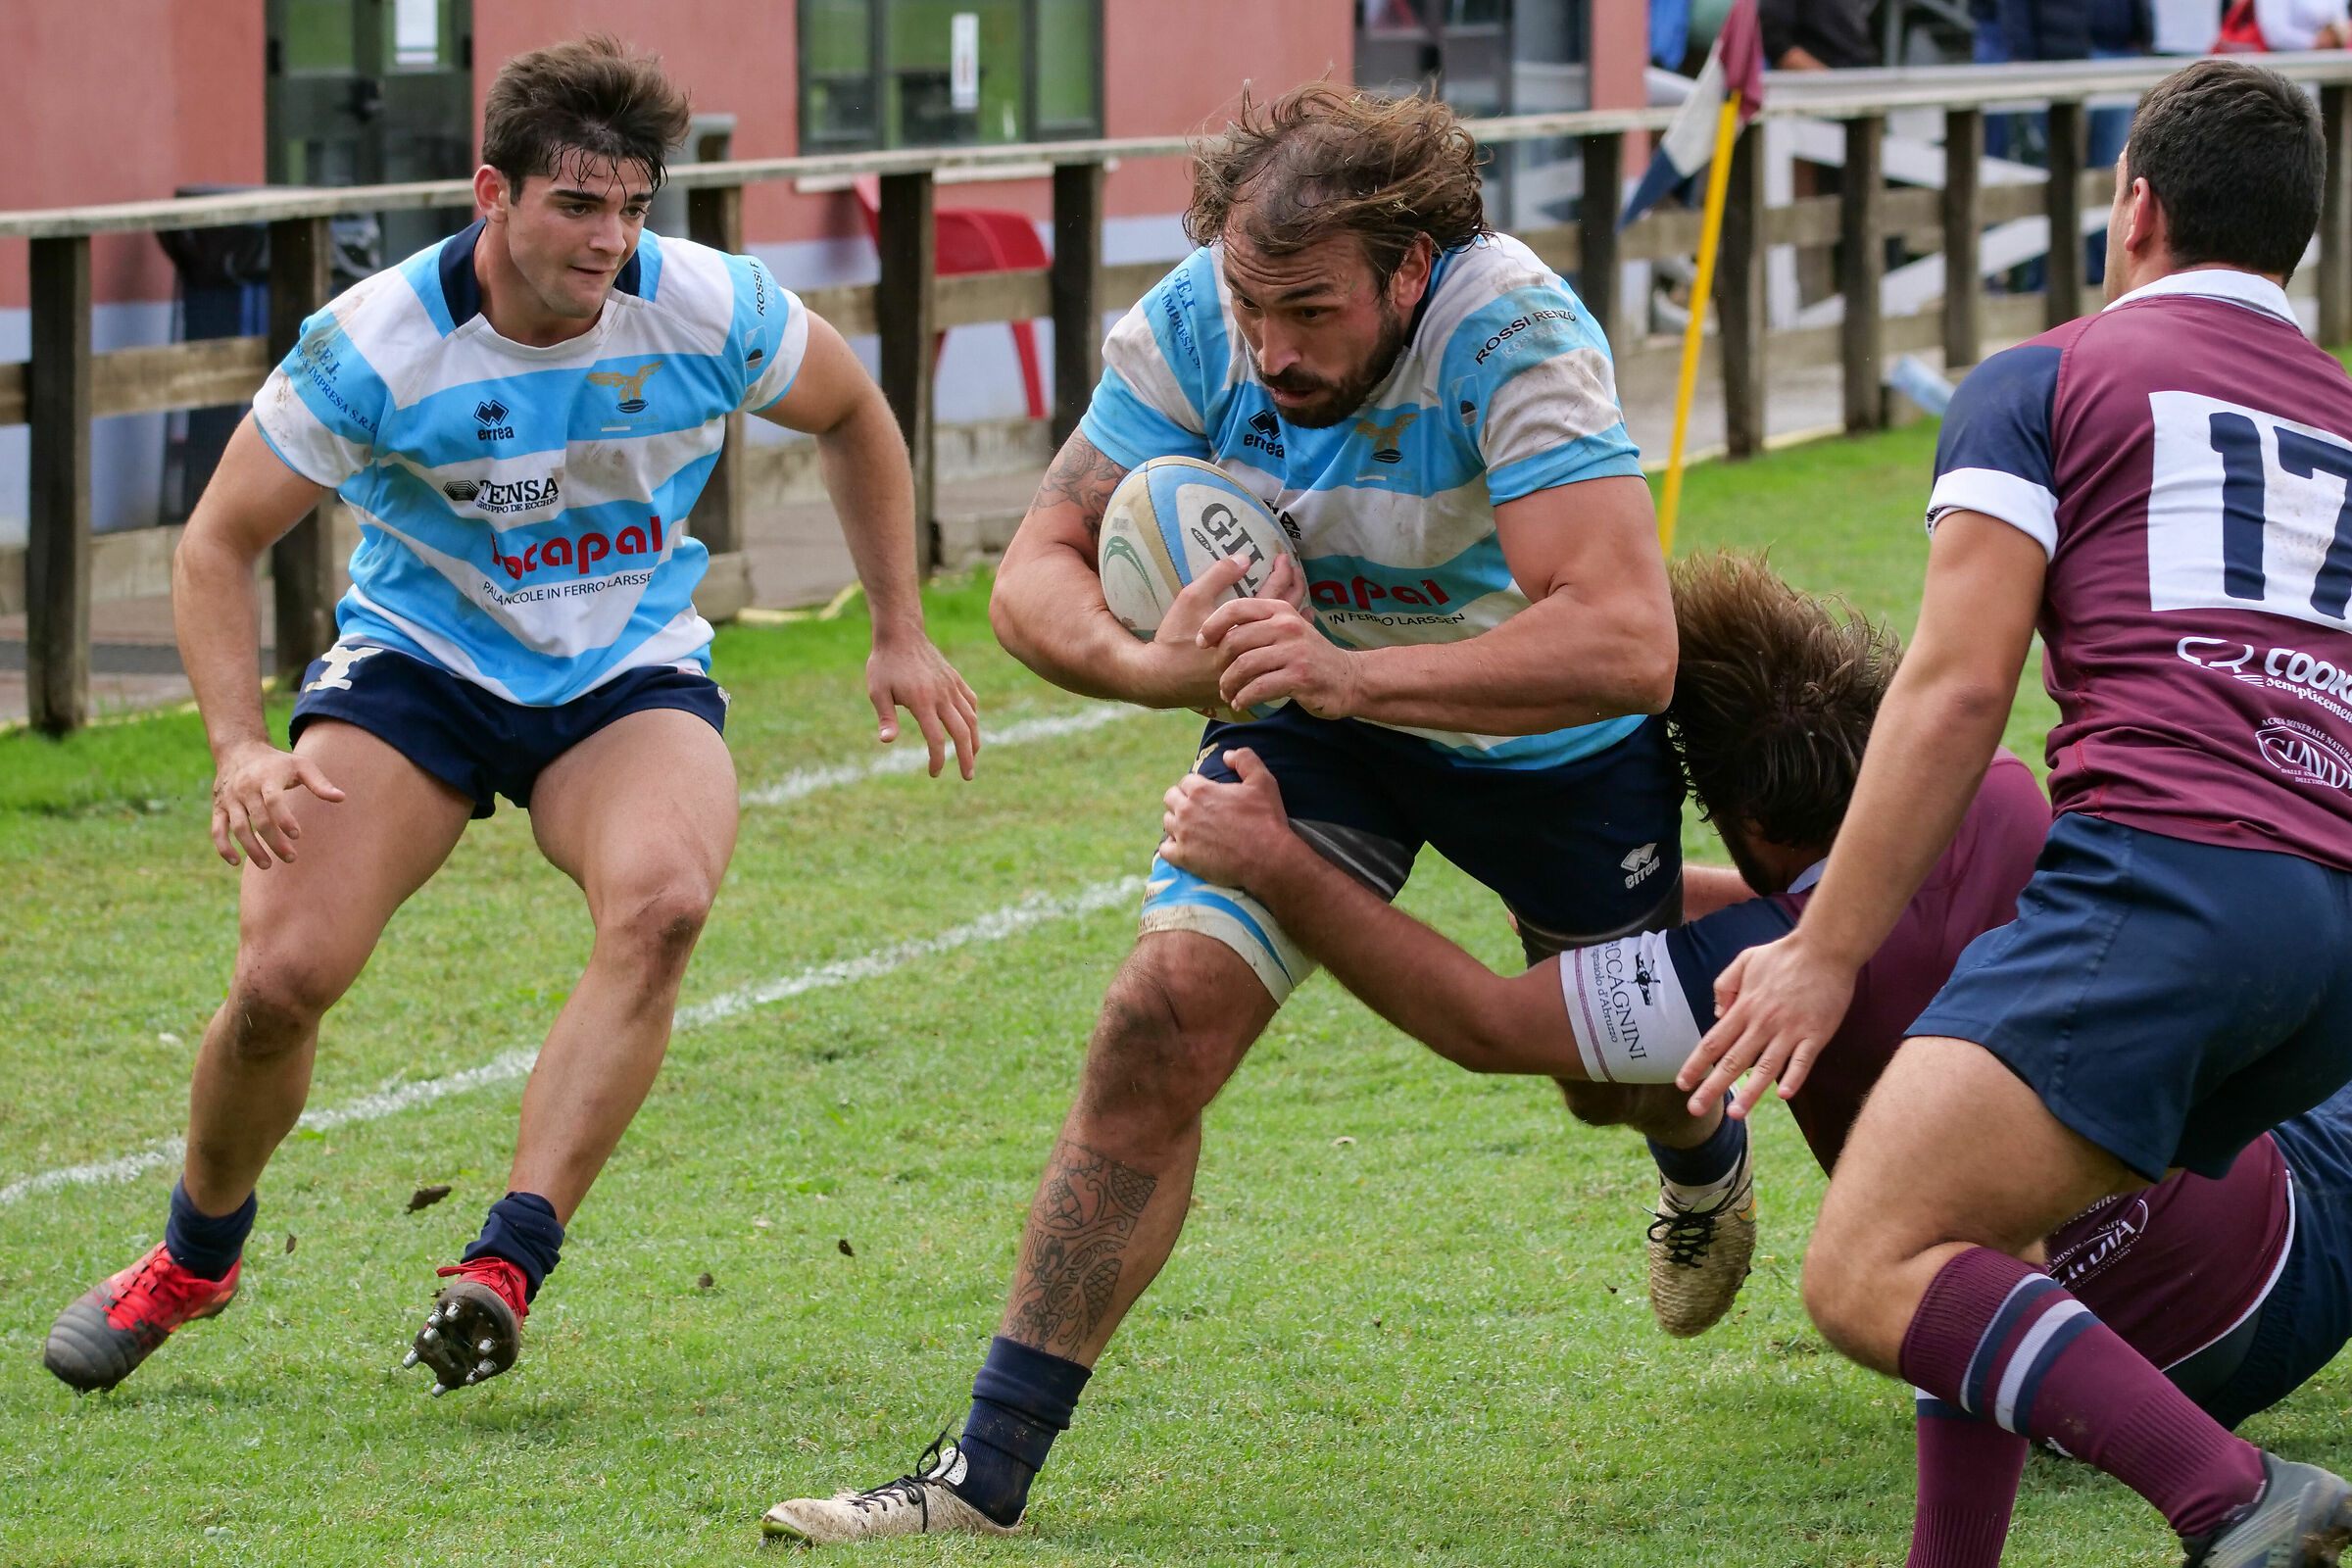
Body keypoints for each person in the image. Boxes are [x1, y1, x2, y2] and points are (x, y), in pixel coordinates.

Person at [760, 82, 1702, 1544]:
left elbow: (1633, 642)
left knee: (1600, 1072)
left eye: (1313, 313)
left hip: (1542, 744)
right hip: (1303, 718)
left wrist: (1359, 672)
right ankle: (983, 1475)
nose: (1273, 352)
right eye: (1254, 308)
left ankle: (1700, 1160)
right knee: (1158, 1019)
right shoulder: (1202, 316)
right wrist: (1155, 666)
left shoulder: (1516, 335)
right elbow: (1035, 569)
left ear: (1407, 271)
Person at [40, 34, 977, 1399]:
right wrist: (241, 744)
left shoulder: (713, 308)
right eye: (577, 205)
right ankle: (196, 1255)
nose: (610, 240)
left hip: (626, 674)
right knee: (280, 982)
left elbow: (855, 415)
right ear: (495, 191)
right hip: (420, 667)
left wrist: (899, 626)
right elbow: (215, 543)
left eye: (634, 209)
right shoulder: (377, 344)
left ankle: (505, 1265)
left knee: (663, 904)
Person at [1162, 550, 2352, 1566]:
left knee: (1939, 1224)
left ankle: (2229, 1493)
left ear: (1754, 825)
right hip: (2270, 1234)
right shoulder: (1991, 797)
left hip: (2097, 1364)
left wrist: (1279, 861)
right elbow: (1862, 911)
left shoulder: (1755, 966)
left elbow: (1482, 1019)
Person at [1684, 59, 2352, 1562]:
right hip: (2332, 934)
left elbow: (1953, 687)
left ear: (2137, 207)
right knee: (1973, 1223)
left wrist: (1823, 950)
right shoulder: (2347, 417)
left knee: (1867, 1262)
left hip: (2174, 886)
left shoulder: (2044, 380)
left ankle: (2235, 1497)